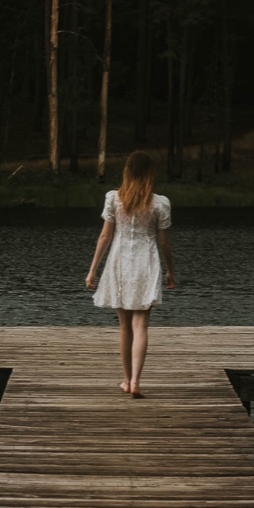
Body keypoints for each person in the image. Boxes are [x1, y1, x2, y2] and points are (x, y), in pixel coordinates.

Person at [84, 150, 176, 395]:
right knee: (141, 325)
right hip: (147, 261)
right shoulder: (159, 203)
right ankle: (135, 381)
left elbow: (105, 236)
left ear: (127, 171)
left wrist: (93, 269)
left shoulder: (115, 198)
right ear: (150, 173)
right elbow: (164, 242)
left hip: (120, 262)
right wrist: (170, 271)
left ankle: (126, 380)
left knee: (124, 326)